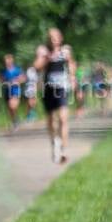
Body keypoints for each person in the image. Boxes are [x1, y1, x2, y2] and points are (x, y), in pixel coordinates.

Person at [34, 27, 76, 164]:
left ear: (60, 38)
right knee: (51, 120)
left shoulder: (65, 51)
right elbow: (37, 66)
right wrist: (47, 59)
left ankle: (64, 150)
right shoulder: (43, 51)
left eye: (55, 38)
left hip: (62, 88)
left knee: (63, 119)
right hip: (48, 89)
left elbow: (71, 64)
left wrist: (72, 77)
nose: (53, 40)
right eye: (51, 38)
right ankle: (55, 143)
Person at [0, 54, 23, 131]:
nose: (7, 62)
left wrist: (17, 81)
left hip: (15, 90)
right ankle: (15, 121)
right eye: (5, 60)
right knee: (10, 108)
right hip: (7, 91)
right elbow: (0, 80)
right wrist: (5, 82)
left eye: (8, 60)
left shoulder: (17, 70)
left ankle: (15, 120)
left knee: (12, 105)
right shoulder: (3, 71)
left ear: (12, 61)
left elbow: (23, 78)